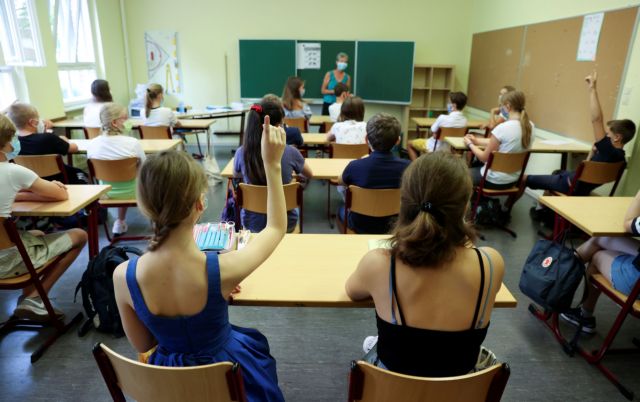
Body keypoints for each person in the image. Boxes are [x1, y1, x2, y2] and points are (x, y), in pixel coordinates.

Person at [112, 117, 288, 401]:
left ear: (144, 206)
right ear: (200, 203)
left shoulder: (123, 276)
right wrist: (272, 165)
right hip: (225, 376)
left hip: (169, 386)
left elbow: (143, 343)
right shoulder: (224, 268)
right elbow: (276, 228)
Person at [345, 151, 505, 377]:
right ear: (465, 206)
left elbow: (352, 291)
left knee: (383, 344)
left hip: (391, 386)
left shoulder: (379, 263)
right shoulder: (490, 263)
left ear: (404, 200)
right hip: (461, 386)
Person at [0, 114, 87, 321]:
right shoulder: (13, 171)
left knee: (36, 233)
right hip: (7, 262)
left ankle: (29, 298)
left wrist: (22, 194)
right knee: (79, 235)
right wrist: (50, 188)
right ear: (5, 142)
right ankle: (35, 298)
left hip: (5, 251)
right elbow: (61, 195)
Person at [522, 72, 635, 219]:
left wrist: (592, 89)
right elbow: (586, 169)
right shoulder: (620, 159)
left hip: (569, 185)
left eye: (608, 134)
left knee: (523, 178)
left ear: (617, 137)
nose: (605, 136)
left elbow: (596, 119)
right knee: (557, 171)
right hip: (580, 187)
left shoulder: (608, 151)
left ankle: (512, 210)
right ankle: (543, 211)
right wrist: (592, 153)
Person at [560, 189, 640, 333]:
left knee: (597, 256)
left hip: (636, 282)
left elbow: (628, 223)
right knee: (602, 238)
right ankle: (555, 283)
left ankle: (579, 311)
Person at [234, 100, 312, 232]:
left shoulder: (241, 153)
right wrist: (292, 181)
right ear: (277, 127)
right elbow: (309, 174)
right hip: (286, 224)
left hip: (252, 224)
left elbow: (236, 176)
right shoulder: (291, 152)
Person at [338, 113, 410, 233]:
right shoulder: (408, 167)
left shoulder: (355, 166)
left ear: (366, 139)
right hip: (394, 225)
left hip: (360, 224)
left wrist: (361, 160)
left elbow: (341, 181)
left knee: (341, 210)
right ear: (398, 141)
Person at [86, 103, 146, 236]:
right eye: (125, 118)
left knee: (117, 181)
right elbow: (145, 168)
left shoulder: (92, 144)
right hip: (133, 192)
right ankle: (123, 221)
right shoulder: (133, 143)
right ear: (114, 122)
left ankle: (120, 222)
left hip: (104, 193)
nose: (128, 121)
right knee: (134, 179)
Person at [464, 90, 532, 190]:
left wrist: (470, 144)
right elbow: (503, 141)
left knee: (458, 175)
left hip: (492, 179)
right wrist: (477, 141)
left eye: (501, 106)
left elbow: (483, 158)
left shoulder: (503, 128)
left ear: (508, 106)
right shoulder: (530, 127)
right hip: (513, 180)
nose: (500, 109)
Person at [6, 102, 86, 184]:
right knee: (81, 173)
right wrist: (64, 140)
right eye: (38, 119)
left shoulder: (10, 144)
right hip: (58, 181)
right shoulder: (49, 138)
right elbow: (74, 148)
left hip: (31, 183)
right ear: (33, 122)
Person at [408, 92, 468, 160]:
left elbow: (432, 131)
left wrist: (436, 134)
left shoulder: (442, 117)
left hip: (434, 147)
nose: (447, 104)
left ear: (454, 105)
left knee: (409, 144)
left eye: (449, 102)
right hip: (450, 150)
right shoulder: (464, 121)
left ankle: (417, 165)